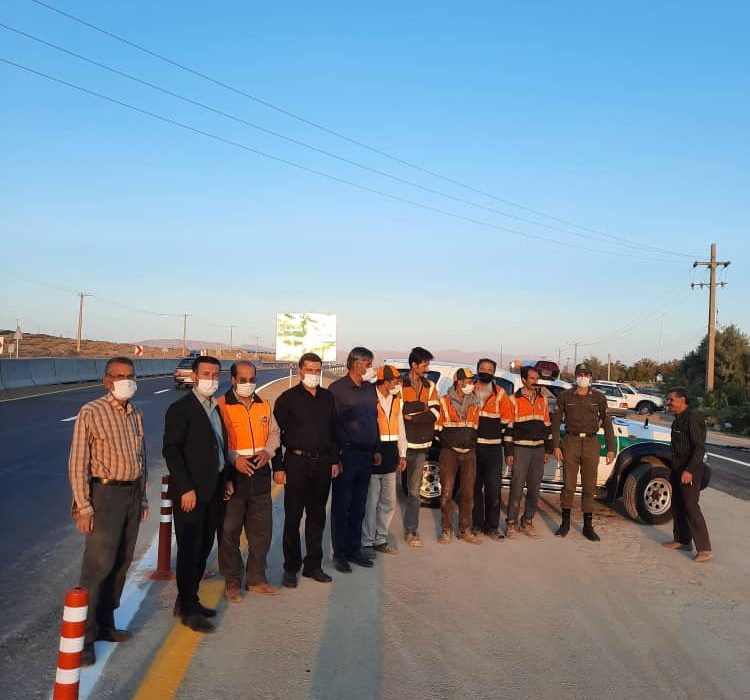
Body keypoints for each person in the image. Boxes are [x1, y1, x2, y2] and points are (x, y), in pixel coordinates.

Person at [68, 357, 148, 666]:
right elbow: (78, 462)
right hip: (105, 495)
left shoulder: (135, 414)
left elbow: (142, 458)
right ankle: (84, 639)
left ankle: (105, 624)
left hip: (131, 494)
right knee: (98, 566)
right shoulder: (91, 412)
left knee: (121, 562)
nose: (125, 381)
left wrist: (143, 499)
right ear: (106, 381)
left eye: (130, 375)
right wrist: (84, 507)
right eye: (118, 376)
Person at [163, 355, 233, 633]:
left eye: (215, 375)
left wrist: (226, 479)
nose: (211, 380)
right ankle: (189, 610)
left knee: (203, 547)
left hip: (213, 489)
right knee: (190, 550)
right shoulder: (181, 409)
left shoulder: (215, 408)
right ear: (194, 377)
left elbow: (219, 447)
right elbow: (172, 451)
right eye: (206, 374)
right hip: (191, 493)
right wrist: (186, 488)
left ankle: (188, 600)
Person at [273, 353, 340, 587]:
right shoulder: (287, 399)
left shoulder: (328, 398)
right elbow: (274, 435)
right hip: (296, 463)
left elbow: (334, 432)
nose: (313, 374)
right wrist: (278, 467)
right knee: (293, 518)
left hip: (322, 464)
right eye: (309, 369)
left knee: (317, 517)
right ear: (300, 370)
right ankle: (291, 568)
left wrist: (334, 460)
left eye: (317, 370)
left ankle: (313, 565)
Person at [217, 361, 281, 603]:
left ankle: (256, 579)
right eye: (242, 379)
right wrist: (235, 459)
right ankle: (232, 580)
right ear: (233, 380)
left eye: (252, 379)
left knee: (261, 532)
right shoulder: (221, 406)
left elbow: (274, 433)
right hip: (234, 475)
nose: (248, 383)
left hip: (260, 474)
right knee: (229, 531)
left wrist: (268, 452)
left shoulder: (263, 403)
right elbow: (217, 441)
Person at [328, 347, 380, 572]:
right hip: (346, 456)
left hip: (366, 455)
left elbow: (373, 419)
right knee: (342, 506)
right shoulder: (337, 390)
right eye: (369, 364)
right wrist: (334, 458)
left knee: (359, 505)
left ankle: (354, 549)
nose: (371, 368)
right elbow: (330, 426)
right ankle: (339, 554)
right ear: (356, 364)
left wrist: (376, 448)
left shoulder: (369, 389)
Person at [550, 362, 614, 541]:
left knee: (589, 486)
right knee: (569, 485)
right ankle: (565, 524)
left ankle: (588, 526)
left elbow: (607, 423)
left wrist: (611, 449)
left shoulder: (599, 397)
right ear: (575, 376)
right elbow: (556, 422)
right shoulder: (565, 396)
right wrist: (556, 445)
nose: (583, 378)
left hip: (591, 443)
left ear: (591, 377)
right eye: (580, 374)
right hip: (571, 442)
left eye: (586, 375)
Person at [662, 387, 712, 562]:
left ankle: (705, 549)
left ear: (682, 399)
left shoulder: (693, 418)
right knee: (677, 504)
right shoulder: (678, 418)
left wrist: (689, 470)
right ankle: (682, 540)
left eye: (671, 399)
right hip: (677, 467)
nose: (669, 403)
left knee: (691, 506)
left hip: (690, 469)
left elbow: (699, 447)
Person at [362, 365, 407, 555]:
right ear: (386, 382)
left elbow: (400, 427)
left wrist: (402, 453)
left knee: (388, 502)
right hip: (375, 454)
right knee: (371, 502)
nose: (398, 383)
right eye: (396, 380)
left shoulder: (396, 400)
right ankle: (367, 541)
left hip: (391, 455)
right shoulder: (370, 399)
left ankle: (380, 539)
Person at [504, 366, 552, 538]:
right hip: (520, 449)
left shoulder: (542, 399)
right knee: (516, 487)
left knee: (534, 488)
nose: (535, 381)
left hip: (538, 449)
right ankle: (511, 523)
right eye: (531, 378)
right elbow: (509, 427)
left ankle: (527, 521)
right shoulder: (513, 399)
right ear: (523, 380)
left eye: (536, 378)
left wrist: (547, 449)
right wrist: (509, 452)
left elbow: (547, 425)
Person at [436, 368, 482, 545]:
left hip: (469, 452)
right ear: (459, 382)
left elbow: (476, 426)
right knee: (446, 493)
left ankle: (465, 530)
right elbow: (437, 428)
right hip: (449, 452)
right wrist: (449, 442)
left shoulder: (475, 402)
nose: (472, 385)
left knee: (468, 494)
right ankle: (446, 530)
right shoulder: (444, 401)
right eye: (469, 381)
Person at [401, 346, 440, 547]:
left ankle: (411, 531)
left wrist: (413, 416)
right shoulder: (400, 384)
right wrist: (421, 409)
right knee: (383, 493)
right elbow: (398, 413)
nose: (427, 368)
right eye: (425, 364)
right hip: (400, 444)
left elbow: (435, 413)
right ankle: (376, 535)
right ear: (414, 365)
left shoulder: (430, 386)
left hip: (421, 445)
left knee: (414, 493)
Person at [472, 358, 514, 539]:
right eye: (483, 368)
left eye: (490, 370)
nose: (486, 372)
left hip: (493, 449)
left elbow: (508, 422)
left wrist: (507, 449)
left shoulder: (500, 394)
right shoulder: (468, 390)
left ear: (494, 373)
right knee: (474, 488)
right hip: (472, 448)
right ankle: (476, 524)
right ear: (477, 370)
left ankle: (492, 526)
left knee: (493, 488)